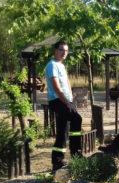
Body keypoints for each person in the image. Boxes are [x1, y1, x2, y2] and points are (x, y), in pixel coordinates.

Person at [45, 40, 82, 173]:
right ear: (55, 50)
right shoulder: (52, 65)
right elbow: (56, 86)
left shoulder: (61, 65)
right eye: (61, 50)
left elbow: (66, 84)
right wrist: (67, 102)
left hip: (65, 100)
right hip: (57, 100)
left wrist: (71, 99)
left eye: (66, 50)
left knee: (62, 131)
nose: (64, 53)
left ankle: (57, 162)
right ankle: (76, 154)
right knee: (77, 119)